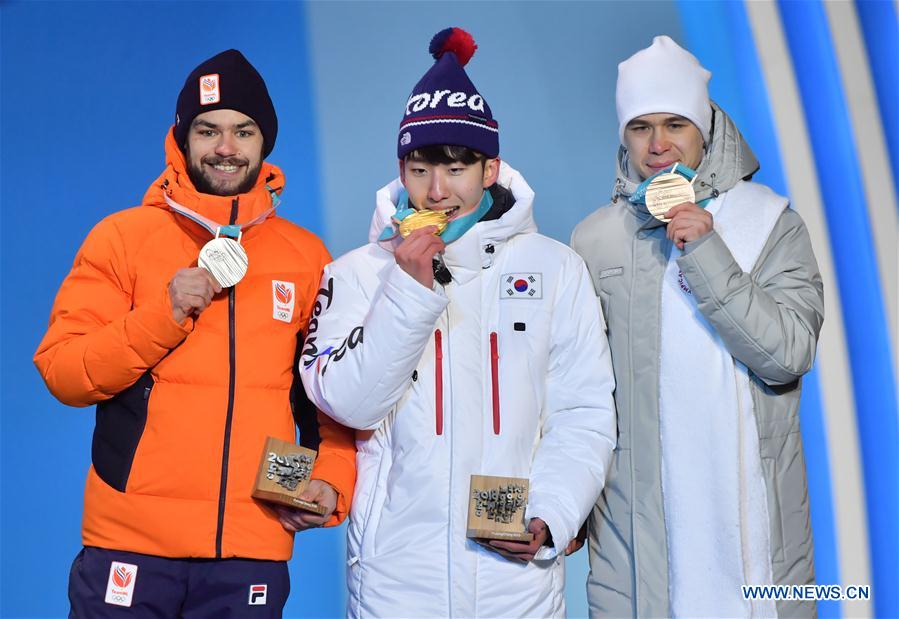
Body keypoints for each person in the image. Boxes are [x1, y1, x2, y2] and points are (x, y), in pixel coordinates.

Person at [299, 27, 617, 618]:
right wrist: (409, 288)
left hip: (515, 587)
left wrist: (551, 514)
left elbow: (584, 413)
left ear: (490, 168)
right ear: (401, 167)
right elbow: (350, 404)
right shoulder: (357, 274)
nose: (437, 190)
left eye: (456, 167)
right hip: (392, 584)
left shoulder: (556, 269)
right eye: (420, 168)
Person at [34, 49, 355, 617]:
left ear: (266, 142)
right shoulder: (122, 238)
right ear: (182, 139)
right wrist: (163, 315)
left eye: (243, 130)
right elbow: (65, 372)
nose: (226, 147)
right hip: (130, 543)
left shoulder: (306, 257)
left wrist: (331, 484)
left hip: (251, 546)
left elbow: (330, 399)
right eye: (208, 130)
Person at [571, 36, 824, 618]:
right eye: (640, 127)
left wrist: (707, 251)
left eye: (675, 124)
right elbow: (578, 389)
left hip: (758, 546)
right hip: (633, 550)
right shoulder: (594, 239)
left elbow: (787, 353)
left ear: (705, 128)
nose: (658, 145)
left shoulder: (770, 222)